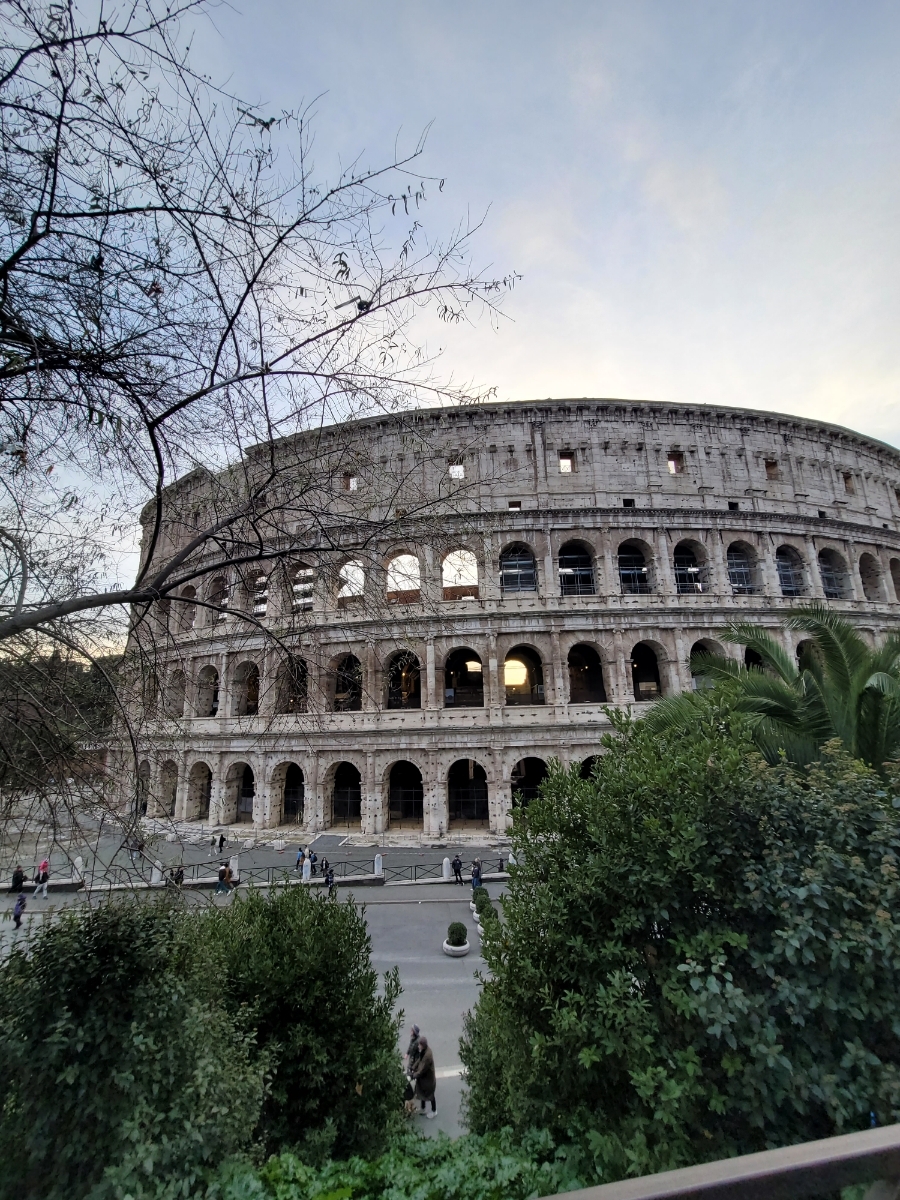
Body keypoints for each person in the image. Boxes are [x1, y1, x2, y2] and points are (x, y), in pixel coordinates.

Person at [411, 1035, 436, 1119]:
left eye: (419, 1045)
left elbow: (422, 1069)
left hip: (428, 1079)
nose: (418, 1046)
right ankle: (423, 1108)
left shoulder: (427, 1056)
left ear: (422, 1045)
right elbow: (419, 1060)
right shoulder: (424, 1051)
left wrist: (414, 1075)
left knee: (430, 1095)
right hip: (424, 1079)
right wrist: (413, 1067)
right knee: (421, 1092)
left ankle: (434, 1111)